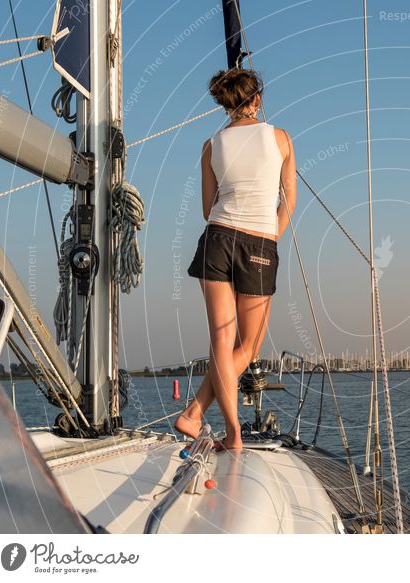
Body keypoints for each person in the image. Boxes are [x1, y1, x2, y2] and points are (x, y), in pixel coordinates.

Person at [175, 68, 296, 451]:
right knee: (249, 345)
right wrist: (268, 238)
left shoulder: (211, 145)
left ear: (226, 103)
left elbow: (208, 207)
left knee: (221, 341)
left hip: (217, 238)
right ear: (257, 99)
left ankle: (216, 425)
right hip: (258, 242)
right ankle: (205, 418)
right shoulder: (280, 139)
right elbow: (288, 201)